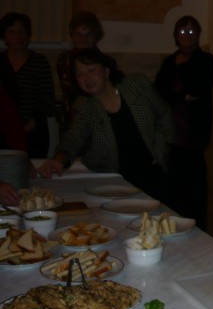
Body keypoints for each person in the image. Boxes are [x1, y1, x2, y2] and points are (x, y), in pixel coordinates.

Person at [38, 48, 174, 203]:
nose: (87, 79)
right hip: (113, 178)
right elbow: (74, 136)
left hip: (152, 171)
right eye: (80, 75)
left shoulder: (137, 85)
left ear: (106, 71)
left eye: (91, 70)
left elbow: (164, 114)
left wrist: (161, 149)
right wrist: (59, 160)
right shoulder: (84, 105)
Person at [155, 16, 213, 230]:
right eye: (182, 31)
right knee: (172, 185)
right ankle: (171, 227)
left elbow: (198, 89)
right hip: (171, 132)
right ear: (175, 36)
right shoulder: (169, 62)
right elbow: (159, 90)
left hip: (193, 133)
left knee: (195, 186)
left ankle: (197, 229)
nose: (187, 36)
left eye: (191, 32)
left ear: (198, 35)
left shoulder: (206, 60)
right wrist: (182, 95)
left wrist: (179, 87)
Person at [0, 12, 56, 158]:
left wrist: (32, 121)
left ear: (29, 35)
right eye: (12, 32)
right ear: (4, 37)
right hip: (3, 132)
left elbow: (47, 98)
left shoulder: (39, 61)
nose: (18, 36)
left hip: (33, 131)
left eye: (22, 32)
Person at [56, 11, 117, 128]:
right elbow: (70, 92)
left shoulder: (108, 62)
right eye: (78, 34)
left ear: (96, 36)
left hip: (102, 117)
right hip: (73, 117)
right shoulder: (64, 60)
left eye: (89, 34)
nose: (83, 39)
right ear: (72, 36)